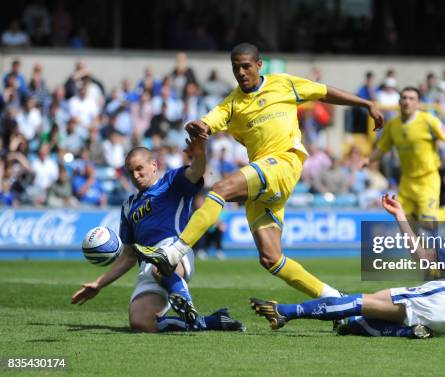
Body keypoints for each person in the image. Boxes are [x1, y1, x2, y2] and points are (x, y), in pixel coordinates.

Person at [133, 43, 384, 301]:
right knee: (271, 258)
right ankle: (337, 299)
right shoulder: (232, 104)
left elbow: (323, 92)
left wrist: (365, 103)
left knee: (220, 188)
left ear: (259, 65)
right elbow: (208, 122)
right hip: (263, 178)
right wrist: (197, 127)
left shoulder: (284, 83)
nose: (241, 72)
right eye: (235, 68)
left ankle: (174, 253)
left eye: (246, 66)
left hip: (284, 163)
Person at [250, 190, 445, 341]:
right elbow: (424, 259)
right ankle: (412, 331)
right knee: (356, 324)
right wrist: (401, 218)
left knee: (361, 302)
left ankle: (286, 313)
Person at [71, 144, 244, 333]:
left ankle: (184, 300)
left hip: (175, 249)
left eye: (139, 169)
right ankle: (210, 321)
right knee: (141, 323)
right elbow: (129, 256)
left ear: (153, 165)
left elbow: (197, 171)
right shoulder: (129, 206)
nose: (136, 176)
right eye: (131, 172)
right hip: (147, 263)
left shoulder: (171, 183)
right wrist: (99, 284)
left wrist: (200, 152)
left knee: (160, 264)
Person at [366, 86, 445, 224]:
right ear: (399, 102)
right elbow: (382, 149)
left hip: (427, 179)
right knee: (404, 222)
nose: (407, 101)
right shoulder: (392, 125)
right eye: (404, 98)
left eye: (411, 98)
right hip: (407, 181)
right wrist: (367, 160)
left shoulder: (428, 120)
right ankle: (417, 246)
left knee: (428, 222)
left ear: (418, 103)